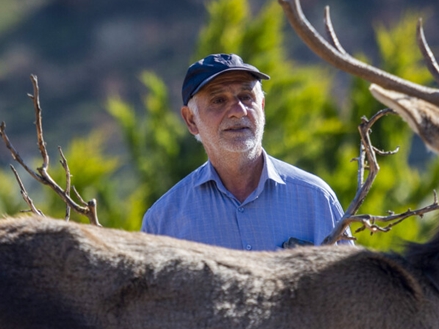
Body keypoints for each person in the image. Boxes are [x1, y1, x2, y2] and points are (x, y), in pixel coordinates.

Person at [141, 53, 351, 251]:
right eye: (219, 101)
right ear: (191, 120)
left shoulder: (315, 198)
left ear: (262, 105)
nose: (239, 111)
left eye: (246, 96)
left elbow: (349, 288)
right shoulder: (162, 222)